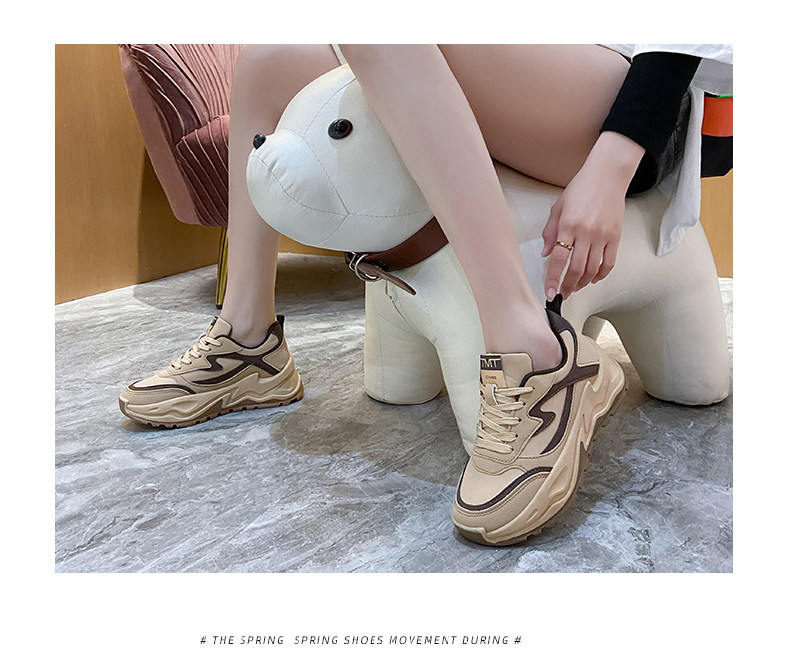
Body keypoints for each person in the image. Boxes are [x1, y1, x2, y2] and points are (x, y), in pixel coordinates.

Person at [119, 45, 727, 546]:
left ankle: (535, 352)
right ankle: (247, 339)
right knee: (267, 58)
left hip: (629, 97)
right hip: (517, 65)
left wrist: (612, 167)